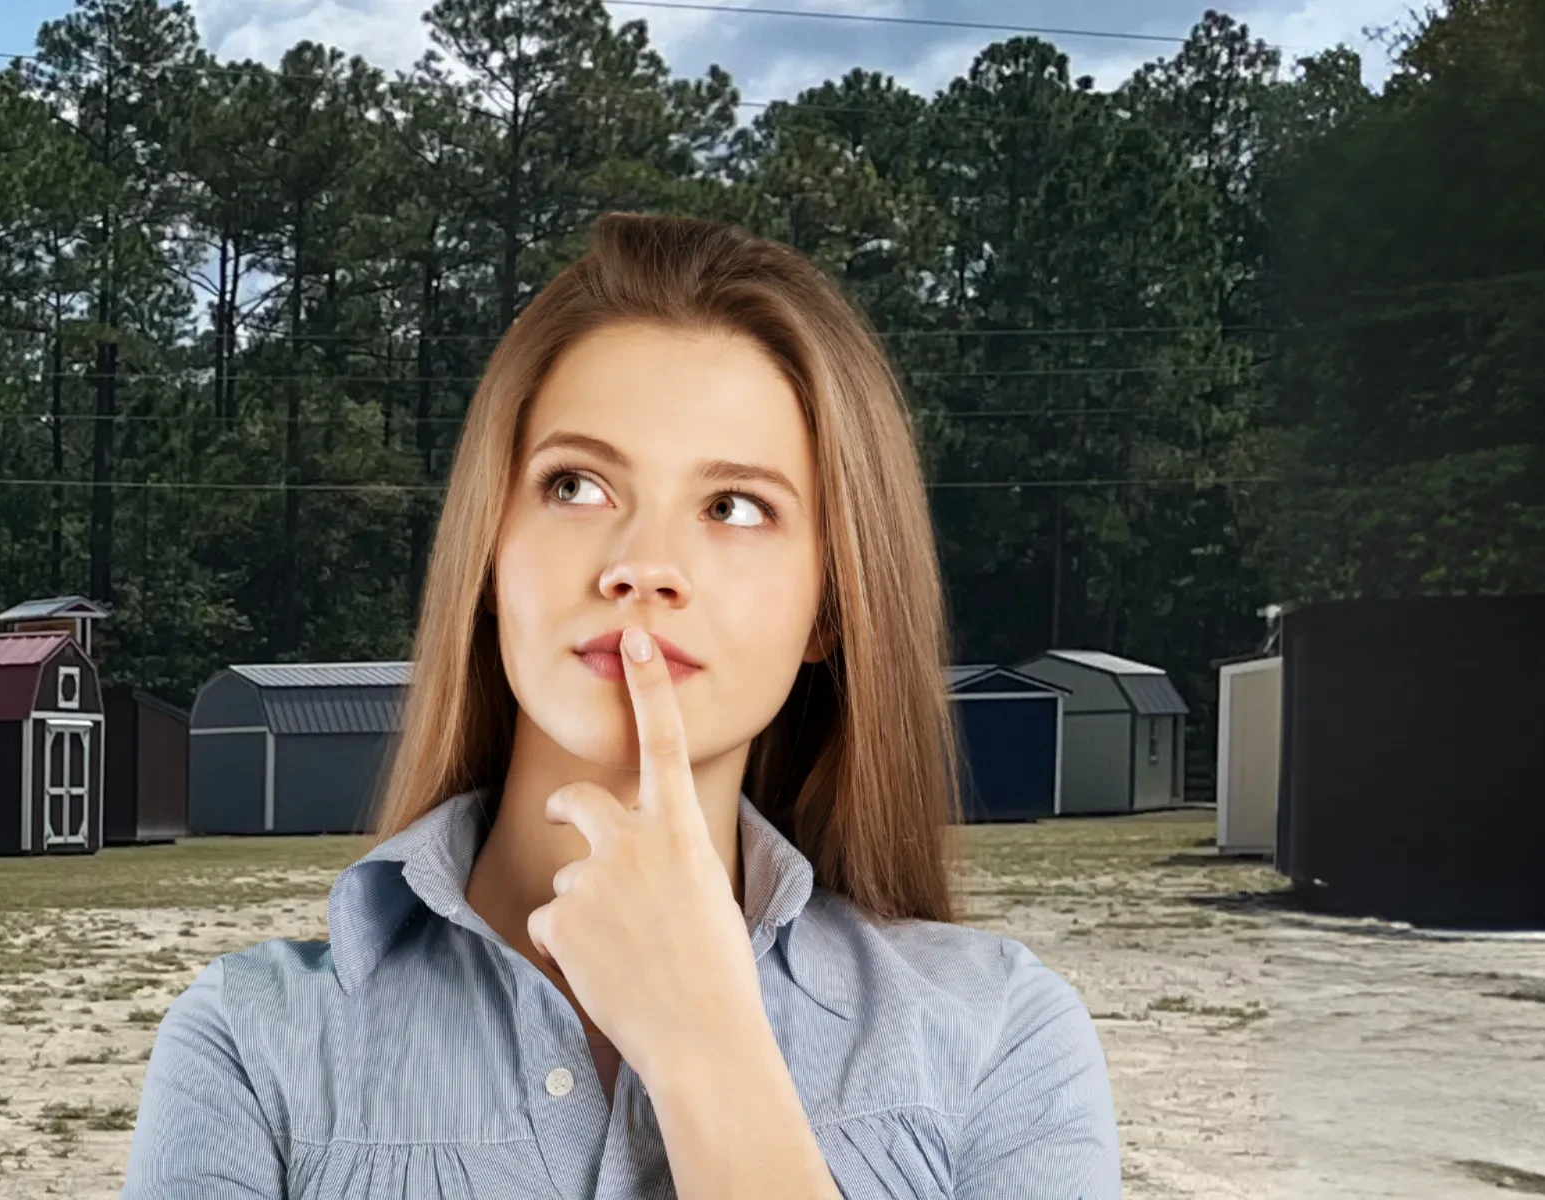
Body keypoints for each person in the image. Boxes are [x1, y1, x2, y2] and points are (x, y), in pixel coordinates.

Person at [123, 213, 1122, 1198]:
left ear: (829, 605)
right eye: (578, 485)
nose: (642, 566)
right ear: (489, 551)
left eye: (735, 506)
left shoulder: (1000, 1035)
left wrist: (706, 1051)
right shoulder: (250, 1045)